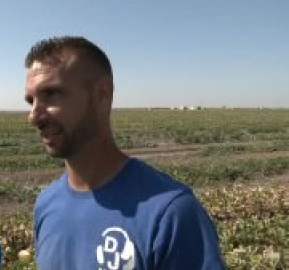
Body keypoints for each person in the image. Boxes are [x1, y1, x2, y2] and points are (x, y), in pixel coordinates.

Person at [24, 36, 225, 270]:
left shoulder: (170, 214)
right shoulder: (46, 204)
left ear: (102, 95)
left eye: (52, 94)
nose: (33, 116)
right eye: (30, 101)